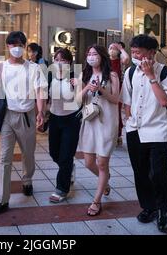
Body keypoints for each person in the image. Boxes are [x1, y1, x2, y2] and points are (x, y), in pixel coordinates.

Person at [121, 34, 167, 233]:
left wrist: (151, 77)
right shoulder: (129, 73)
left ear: (152, 53)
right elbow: (127, 101)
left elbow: (164, 101)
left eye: (139, 52)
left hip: (158, 130)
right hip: (135, 129)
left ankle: (165, 211)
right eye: (133, 52)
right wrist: (129, 121)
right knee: (140, 172)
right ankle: (149, 207)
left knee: (159, 173)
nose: (134, 55)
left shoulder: (166, 74)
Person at [0, 31, 47, 215]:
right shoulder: (0, 67)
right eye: (13, 45)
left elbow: (39, 92)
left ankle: (27, 179)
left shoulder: (34, 68)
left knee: (28, 154)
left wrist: (41, 113)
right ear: (7, 47)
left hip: (26, 116)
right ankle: (1, 199)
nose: (16, 48)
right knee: (5, 158)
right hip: (6, 117)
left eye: (20, 44)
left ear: (25, 46)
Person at [74, 45, 120, 216]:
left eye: (95, 54)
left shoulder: (112, 75)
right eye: (89, 53)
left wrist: (101, 89)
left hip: (107, 122)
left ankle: (96, 201)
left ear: (102, 56)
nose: (92, 57)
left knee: (102, 163)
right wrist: (87, 87)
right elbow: (77, 101)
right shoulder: (84, 75)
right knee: (88, 162)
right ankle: (105, 180)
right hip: (90, 122)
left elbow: (116, 99)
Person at [47, 48, 81, 203]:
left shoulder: (75, 77)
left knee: (66, 155)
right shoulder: (49, 76)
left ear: (70, 62)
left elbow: (81, 100)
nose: (60, 63)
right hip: (54, 118)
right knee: (54, 153)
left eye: (64, 60)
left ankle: (62, 189)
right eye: (57, 59)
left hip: (71, 120)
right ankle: (68, 168)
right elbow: (44, 97)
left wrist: (80, 86)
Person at [108, 42, 130, 146]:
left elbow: (126, 59)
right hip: (106, 89)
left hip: (118, 89)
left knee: (116, 112)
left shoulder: (120, 61)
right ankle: (107, 135)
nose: (112, 50)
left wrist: (121, 49)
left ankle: (118, 135)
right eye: (110, 48)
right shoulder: (105, 61)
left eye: (114, 48)